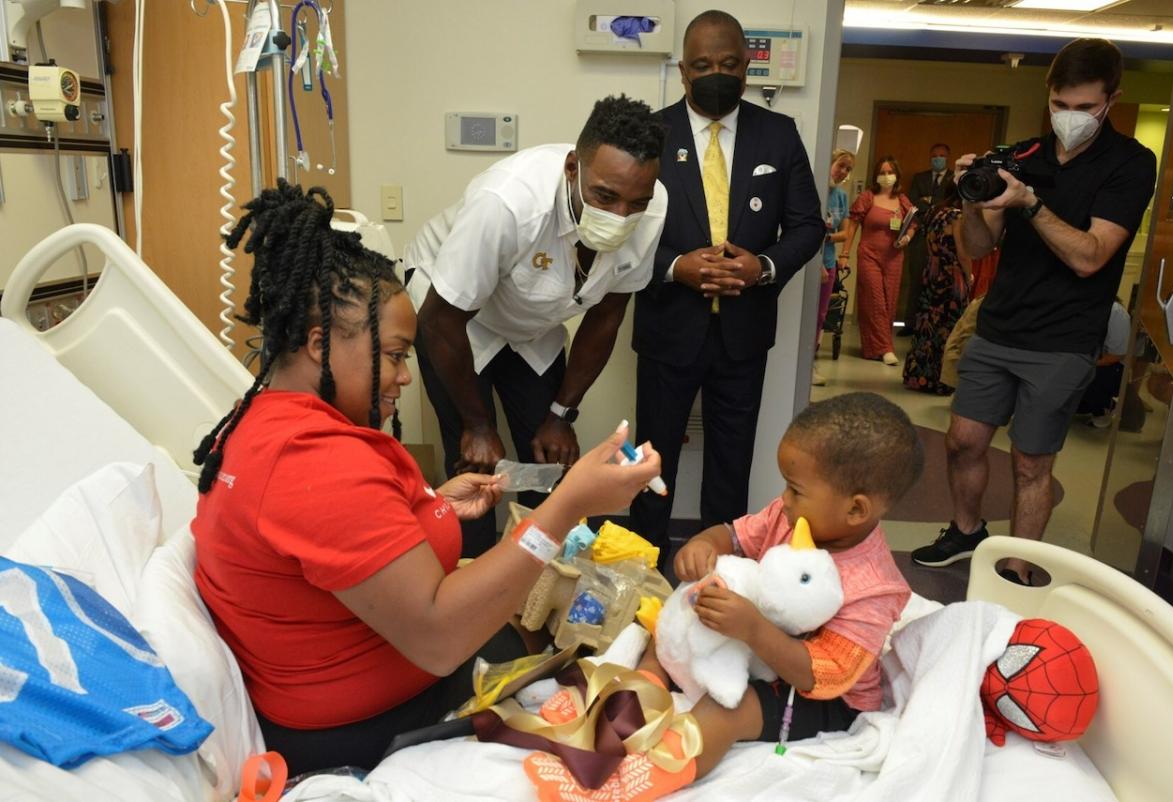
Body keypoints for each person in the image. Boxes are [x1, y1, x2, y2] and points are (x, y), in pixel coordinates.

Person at [190, 181, 664, 774]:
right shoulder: (312, 461)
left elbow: (348, 547)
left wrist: (433, 507)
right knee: (630, 696)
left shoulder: (265, 419)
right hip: (369, 728)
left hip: (364, 687)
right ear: (318, 345)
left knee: (580, 648)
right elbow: (439, 639)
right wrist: (566, 505)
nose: (404, 377)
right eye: (393, 355)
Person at [911, 38, 1157, 584]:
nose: (1070, 118)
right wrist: (976, 200)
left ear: (1111, 100)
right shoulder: (1021, 156)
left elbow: (1090, 256)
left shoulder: (1130, 165)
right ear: (1049, 95)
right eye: (1061, 105)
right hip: (999, 326)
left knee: (1030, 461)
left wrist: (1031, 204)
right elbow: (975, 247)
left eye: (1085, 108)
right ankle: (966, 530)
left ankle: (1019, 568)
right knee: (963, 441)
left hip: (1065, 339)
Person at [406, 95, 668, 556]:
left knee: (549, 457)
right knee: (473, 461)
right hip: (453, 317)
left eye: (635, 202)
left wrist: (560, 415)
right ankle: (466, 588)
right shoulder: (507, 203)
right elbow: (442, 320)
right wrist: (477, 423)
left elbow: (607, 315)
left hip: (532, 322)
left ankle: (538, 586)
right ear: (572, 168)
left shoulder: (654, 209)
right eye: (605, 196)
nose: (620, 216)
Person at [637, 392, 922, 782]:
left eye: (796, 490)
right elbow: (734, 536)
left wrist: (752, 628)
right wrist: (704, 544)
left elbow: (824, 676)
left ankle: (647, 774)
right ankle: (642, 691)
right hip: (755, 652)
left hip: (820, 696)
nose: (783, 500)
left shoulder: (874, 588)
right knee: (669, 624)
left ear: (856, 509)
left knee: (728, 712)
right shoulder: (789, 517)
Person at [630, 10, 824, 566]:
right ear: (683, 70)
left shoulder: (778, 133)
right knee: (651, 459)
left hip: (744, 331)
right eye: (702, 64)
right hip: (668, 325)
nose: (716, 73)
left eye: (729, 63)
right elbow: (622, 232)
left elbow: (807, 226)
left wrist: (761, 266)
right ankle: (642, 562)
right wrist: (675, 267)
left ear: (747, 65)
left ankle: (718, 571)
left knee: (731, 459)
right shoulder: (651, 134)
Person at [843, 157, 917, 365]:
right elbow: (852, 227)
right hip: (869, 255)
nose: (886, 177)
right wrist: (845, 254)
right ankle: (885, 348)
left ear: (897, 175)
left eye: (890, 172)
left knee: (889, 302)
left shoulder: (902, 200)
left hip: (894, 257)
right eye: (882, 172)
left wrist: (907, 237)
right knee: (874, 300)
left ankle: (875, 348)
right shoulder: (868, 197)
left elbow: (912, 224)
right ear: (876, 176)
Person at [903, 185, 972, 395]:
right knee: (947, 328)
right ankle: (940, 379)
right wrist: (968, 276)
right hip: (951, 276)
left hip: (932, 271)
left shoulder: (935, 212)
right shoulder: (956, 216)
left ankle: (918, 375)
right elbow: (963, 252)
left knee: (926, 324)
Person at [899, 144, 956, 334]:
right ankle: (909, 324)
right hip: (919, 238)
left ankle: (930, 325)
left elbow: (947, 204)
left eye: (941, 156)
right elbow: (914, 204)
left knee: (936, 282)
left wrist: (930, 203)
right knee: (915, 281)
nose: (937, 159)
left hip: (942, 239)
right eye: (934, 156)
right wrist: (930, 205)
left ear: (948, 158)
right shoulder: (919, 178)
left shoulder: (953, 179)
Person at [814, 148, 856, 386]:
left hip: (829, 262)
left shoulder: (840, 197)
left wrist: (828, 239)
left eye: (848, 169)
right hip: (813, 264)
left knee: (821, 316)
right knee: (807, 317)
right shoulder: (816, 191)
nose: (843, 172)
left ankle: (812, 361)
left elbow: (845, 233)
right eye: (840, 165)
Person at [1075, 299, 1130, 428]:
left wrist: (1085, 363)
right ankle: (1083, 405)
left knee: (1090, 374)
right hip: (1088, 357)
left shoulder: (1116, 312)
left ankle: (1103, 409)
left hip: (1111, 366)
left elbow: (1117, 355)